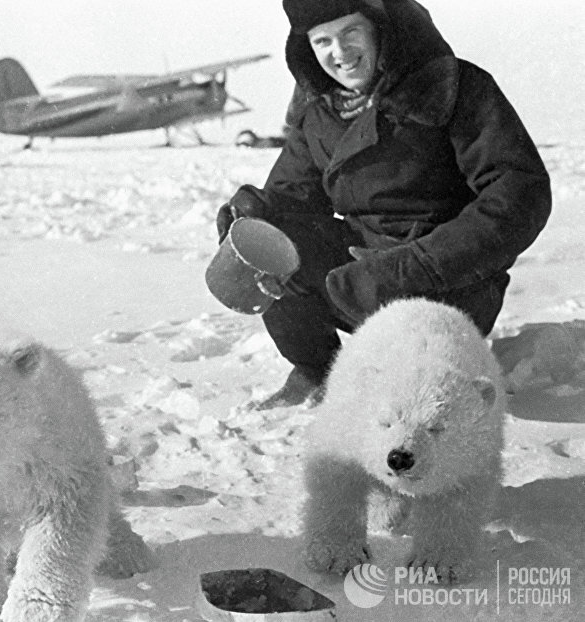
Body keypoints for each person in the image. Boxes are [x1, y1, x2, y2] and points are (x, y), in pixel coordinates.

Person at [216, 0, 551, 410]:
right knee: (275, 237)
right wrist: (253, 214)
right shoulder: (320, 111)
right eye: (323, 40)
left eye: (350, 33)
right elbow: (293, 198)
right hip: (360, 280)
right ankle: (316, 370)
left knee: (412, 399)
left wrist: (414, 266)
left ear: (379, 30)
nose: (338, 53)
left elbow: (519, 194)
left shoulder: (453, 87)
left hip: (448, 285)